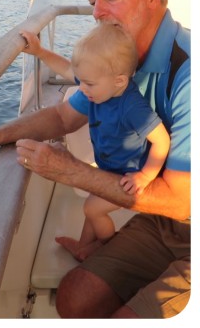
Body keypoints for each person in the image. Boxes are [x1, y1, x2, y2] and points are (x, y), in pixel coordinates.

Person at [0, 0, 190, 318]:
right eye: (92, 1)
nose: (97, 12)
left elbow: (182, 200)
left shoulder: (189, 70)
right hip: (166, 224)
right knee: (73, 299)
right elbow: (63, 119)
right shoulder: (120, 54)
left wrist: (73, 172)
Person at [21, 24, 170, 261]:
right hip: (109, 169)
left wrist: (145, 176)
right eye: (82, 81)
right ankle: (83, 247)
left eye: (88, 84)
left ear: (120, 81)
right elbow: (68, 69)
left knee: (92, 209)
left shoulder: (133, 107)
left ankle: (108, 249)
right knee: (92, 207)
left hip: (128, 178)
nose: (81, 89)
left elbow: (161, 141)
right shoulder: (102, 85)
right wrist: (39, 52)